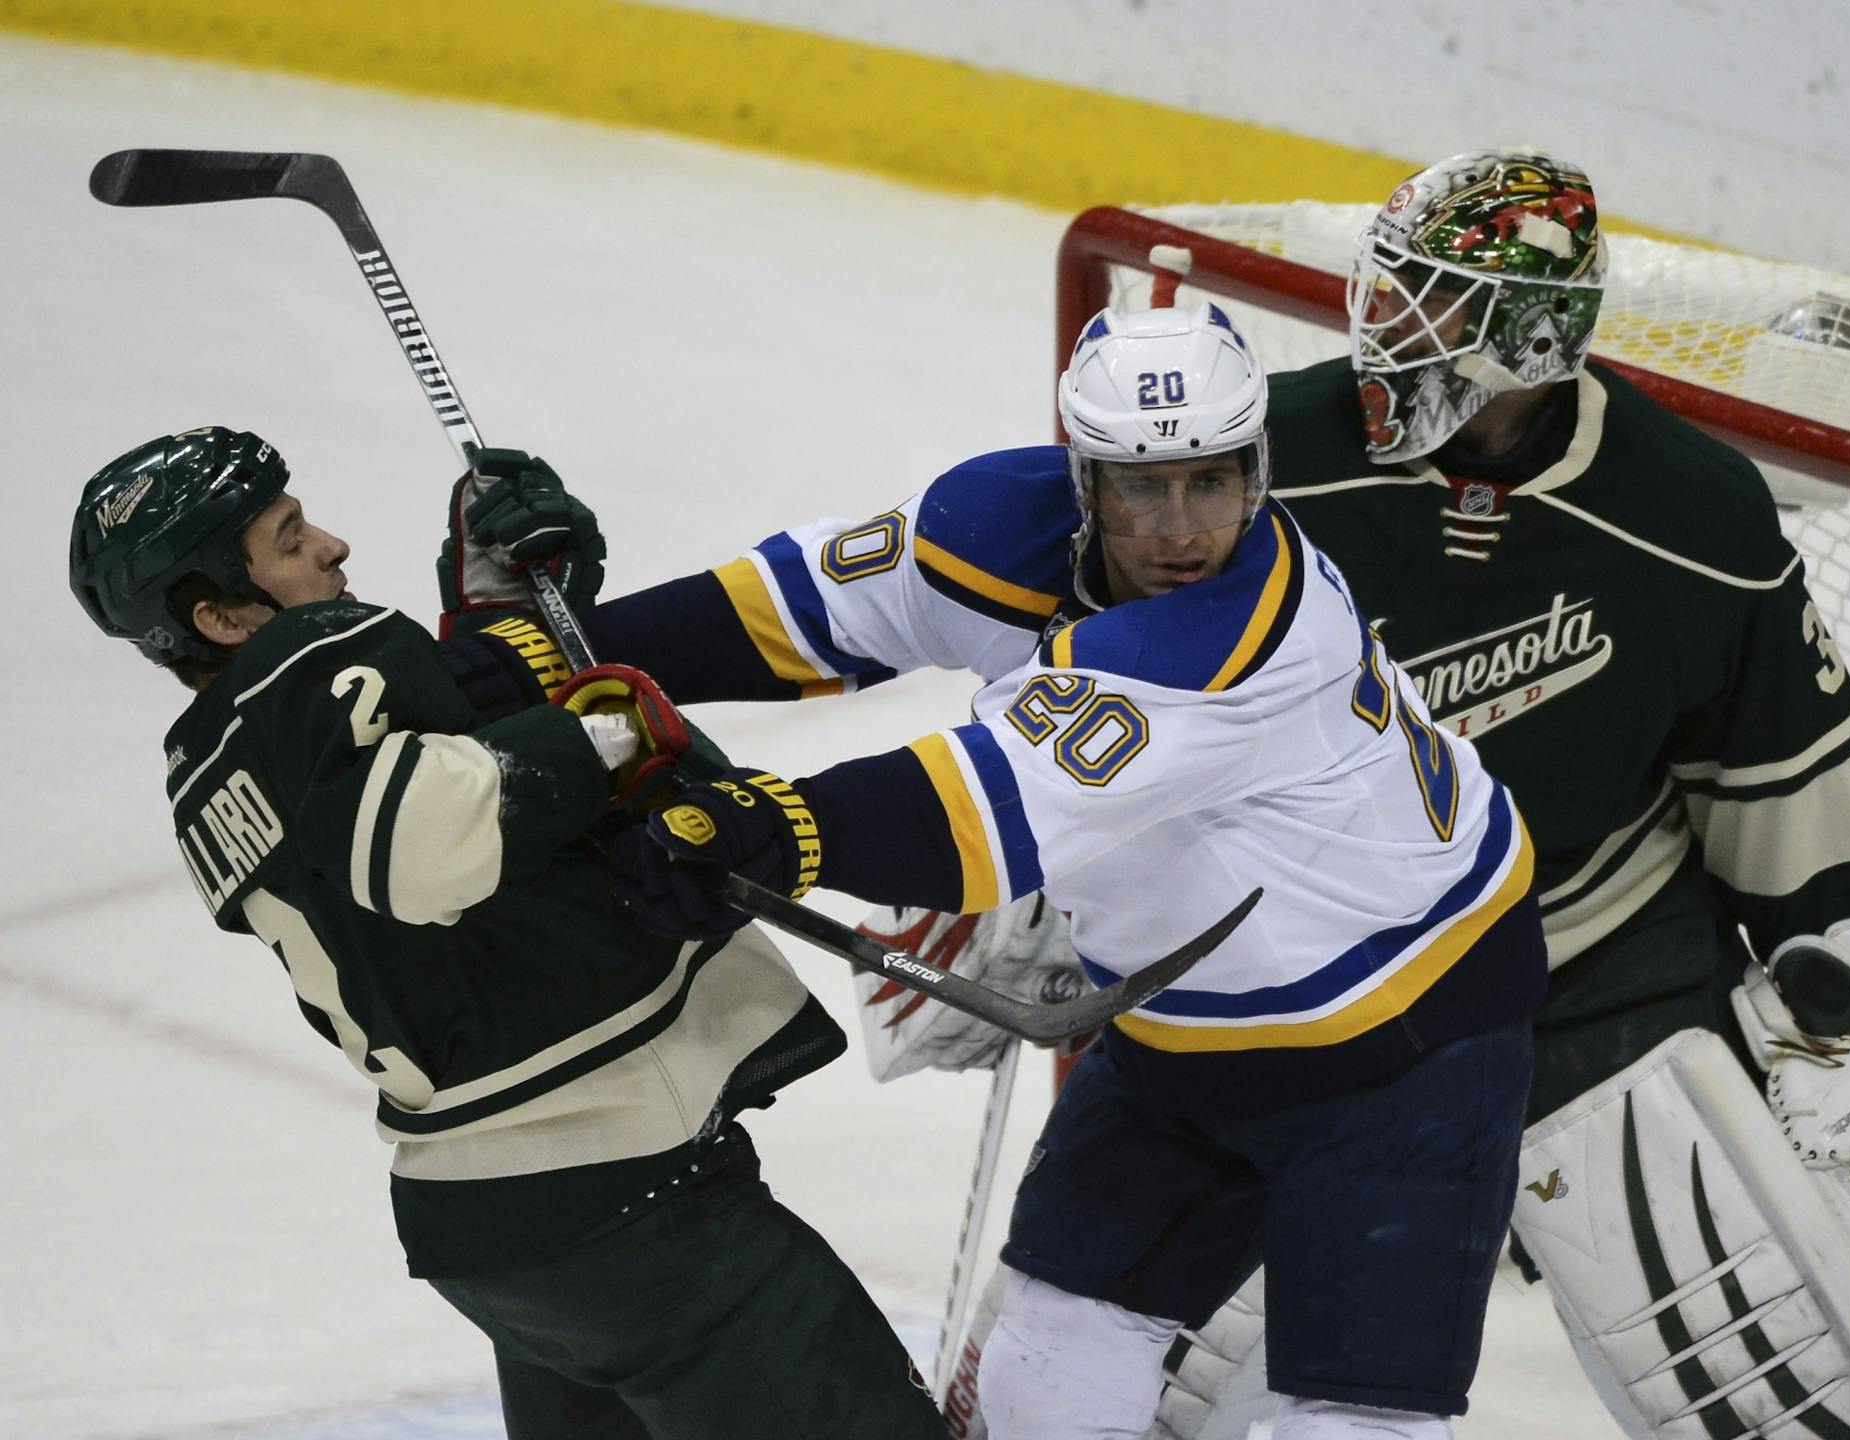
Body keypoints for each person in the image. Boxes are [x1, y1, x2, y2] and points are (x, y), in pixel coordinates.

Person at [866, 153, 1850, 1440]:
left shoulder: (1694, 516)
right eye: (1393, 288)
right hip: (1313, 981)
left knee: (1793, 1411)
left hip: (1597, 975)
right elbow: (1100, 673)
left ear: (1536, 337)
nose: (1389, 327)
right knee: (1102, 1385)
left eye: (1439, 306)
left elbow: (1794, 782)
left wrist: (1848, 988)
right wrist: (1033, 863)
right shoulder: (1259, 461)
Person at [579, 303, 1550, 1440]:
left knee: (1351, 1422)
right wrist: (559, 646)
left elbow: (975, 818)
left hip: (1408, 1039)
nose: (1181, 528)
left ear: (1259, 470)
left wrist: (770, 825)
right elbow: (792, 612)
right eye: (1142, 488)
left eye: (1213, 481)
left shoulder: (1248, 636)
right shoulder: (1001, 520)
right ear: (1085, 480)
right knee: (1044, 1362)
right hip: (1180, 1021)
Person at [68, 427, 947, 1440]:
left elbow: (403, 810)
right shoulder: (319, 659)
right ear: (222, 613)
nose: (333, 547)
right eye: (290, 537)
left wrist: (508, 629)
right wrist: (606, 729)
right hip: (626, 1194)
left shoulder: (208, 768)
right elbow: (420, 842)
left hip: (487, 1225)